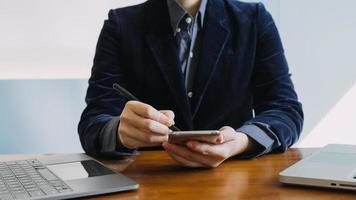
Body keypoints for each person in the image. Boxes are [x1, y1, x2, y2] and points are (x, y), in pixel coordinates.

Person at [78, 0, 304, 168]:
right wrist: (119, 131)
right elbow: (93, 122)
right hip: (148, 182)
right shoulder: (121, 25)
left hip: (234, 180)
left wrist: (240, 142)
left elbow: (285, 110)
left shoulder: (254, 19)